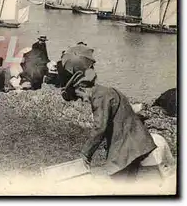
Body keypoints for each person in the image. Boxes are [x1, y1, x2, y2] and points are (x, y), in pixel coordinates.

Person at [60, 47, 157, 182]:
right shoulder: (107, 91)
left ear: (82, 88)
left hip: (127, 146)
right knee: (128, 185)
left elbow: (100, 128)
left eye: (80, 96)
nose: (83, 100)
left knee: (118, 183)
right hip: (137, 142)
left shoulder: (99, 97)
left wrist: (85, 155)